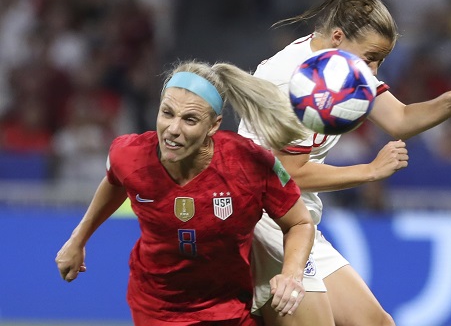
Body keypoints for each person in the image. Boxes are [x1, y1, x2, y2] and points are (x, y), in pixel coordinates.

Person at [237, 0, 451, 325]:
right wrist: (369, 171)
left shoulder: (341, 69)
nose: (374, 72)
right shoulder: (290, 82)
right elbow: (288, 173)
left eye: (379, 61)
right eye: (370, 58)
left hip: (296, 218)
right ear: (337, 37)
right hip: (263, 217)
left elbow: (399, 118)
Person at [56, 60, 316, 326]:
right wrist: (78, 238)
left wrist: (292, 274)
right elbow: (114, 182)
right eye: (167, 113)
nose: (173, 129)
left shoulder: (249, 164)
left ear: (213, 126)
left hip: (229, 309)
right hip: (155, 308)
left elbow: (299, 221)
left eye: (189, 119)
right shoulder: (128, 155)